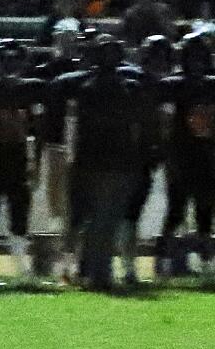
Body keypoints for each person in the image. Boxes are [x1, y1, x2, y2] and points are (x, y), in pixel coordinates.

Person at [46, 38, 155, 290]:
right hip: (103, 165)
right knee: (98, 223)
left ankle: (85, 272)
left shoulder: (83, 86)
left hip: (99, 164)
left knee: (90, 222)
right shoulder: (126, 88)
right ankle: (91, 272)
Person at [0, 40, 45, 278]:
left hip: (18, 153)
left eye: (14, 60)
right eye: (6, 60)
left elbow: (37, 127)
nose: (10, 65)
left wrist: (34, 158)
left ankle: (21, 267)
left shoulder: (32, 88)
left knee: (19, 212)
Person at [156, 32, 215, 276]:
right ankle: (164, 263)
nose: (197, 62)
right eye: (193, 56)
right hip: (181, 154)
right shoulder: (173, 85)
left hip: (207, 155)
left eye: (201, 57)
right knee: (176, 209)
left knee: (205, 210)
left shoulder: (211, 84)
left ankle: (205, 264)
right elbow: (165, 122)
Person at [120, 34, 172, 284]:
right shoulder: (134, 83)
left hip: (162, 157)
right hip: (136, 157)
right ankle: (127, 266)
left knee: (139, 213)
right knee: (128, 214)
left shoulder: (171, 86)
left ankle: (158, 265)